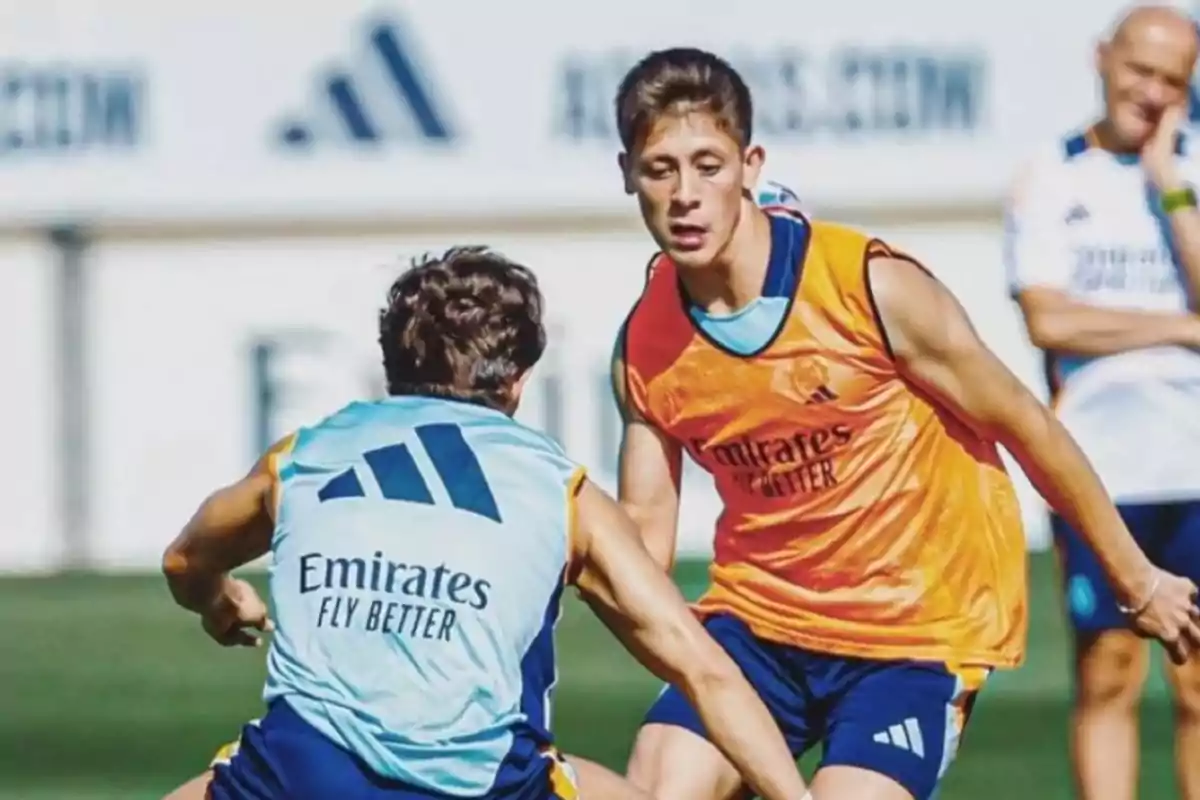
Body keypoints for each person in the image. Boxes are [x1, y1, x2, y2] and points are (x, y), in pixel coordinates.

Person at [609, 46, 1200, 800]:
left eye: (708, 164)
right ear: (628, 174)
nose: (685, 194)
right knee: (659, 785)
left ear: (751, 165)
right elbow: (643, 532)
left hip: (913, 633)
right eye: (661, 169)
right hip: (757, 624)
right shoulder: (646, 343)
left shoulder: (867, 285)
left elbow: (1027, 424)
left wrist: (1136, 578)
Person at [159, 247, 812, 800]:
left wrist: (221, 602)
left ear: (390, 365)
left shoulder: (304, 457)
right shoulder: (561, 493)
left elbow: (184, 561)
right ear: (520, 380)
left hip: (300, 780)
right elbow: (705, 671)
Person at [1006, 6, 1200, 799]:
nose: (1151, 92)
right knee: (1109, 670)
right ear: (1102, 59)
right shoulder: (1050, 179)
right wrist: (1184, 328)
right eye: (1139, 70)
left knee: (1195, 681)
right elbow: (1048, 316)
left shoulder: (1187, 174)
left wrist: (1170, 189)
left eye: (1172, 80)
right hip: (1096, 466)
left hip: (1193, 463)